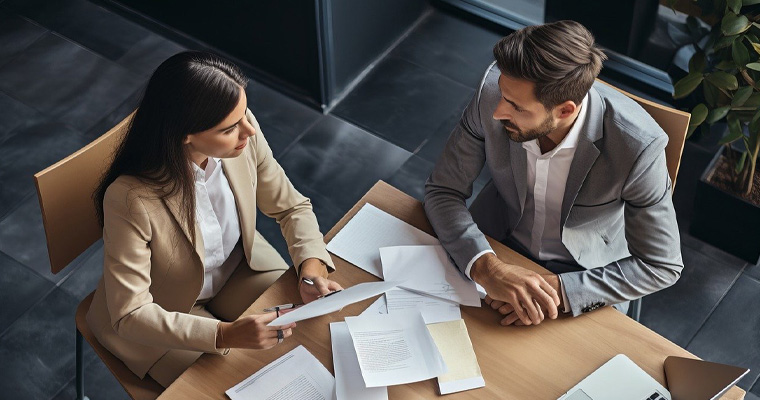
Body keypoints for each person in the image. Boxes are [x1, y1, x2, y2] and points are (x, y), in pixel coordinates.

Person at [86, 51, 341, 387]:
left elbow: (290, 207)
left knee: (312, 340)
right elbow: (131, 313)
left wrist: (311, 267)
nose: (249, 130)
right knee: (238, 385)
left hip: (238, 269)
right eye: (230, 128)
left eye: (244, 114)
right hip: (162, 313)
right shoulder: (129, 199)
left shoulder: (243, 133)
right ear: (185, 134)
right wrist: (223, 334)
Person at [424, 21, 683, 327]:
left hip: (581, 277)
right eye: (503, 95)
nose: (497, 113)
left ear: (565, 110)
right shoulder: (492, 93)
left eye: (515, 106)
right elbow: (443, 190)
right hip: (492, 244)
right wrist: (487, 268)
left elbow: (661, 265)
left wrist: (554, 294)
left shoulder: (638, 147)